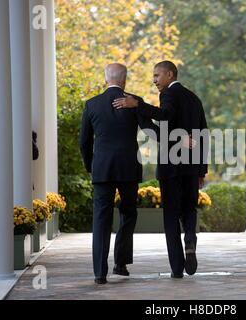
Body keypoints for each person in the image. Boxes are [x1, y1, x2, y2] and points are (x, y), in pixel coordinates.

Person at [114, 61, 208, 279]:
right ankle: (191, 244)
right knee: (190, 210)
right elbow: (203, 133)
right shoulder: (194, 99)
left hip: (171, 167)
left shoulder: (168, 94)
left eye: (157, 75)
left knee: (171, 216)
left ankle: (177, 267)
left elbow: (164, 115)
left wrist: (137, 104)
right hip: (192, 166)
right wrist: (202, 170)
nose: (154, 80)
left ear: (169, 74)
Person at [79, 63, 159, 285]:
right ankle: (120, 263)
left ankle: (99, 272)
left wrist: (91, 166)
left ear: (106, 79)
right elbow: (152, 132)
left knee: (101, 218)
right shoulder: (133, 102)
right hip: (128, 168)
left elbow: (84, 142)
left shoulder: (92, 105)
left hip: (102, 169)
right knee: (128, 213)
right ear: (124, 79)